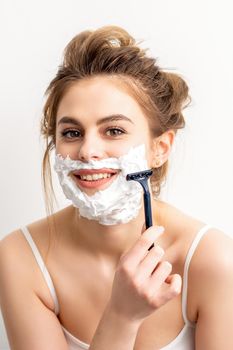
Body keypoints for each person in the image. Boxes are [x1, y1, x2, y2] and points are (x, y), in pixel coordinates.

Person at [0, 25, 233, 350]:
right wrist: (122, 317)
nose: (87, 151)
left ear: (161, 147)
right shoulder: (21, 258)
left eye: (113, 130)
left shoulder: (213, 261)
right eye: (71, 133)